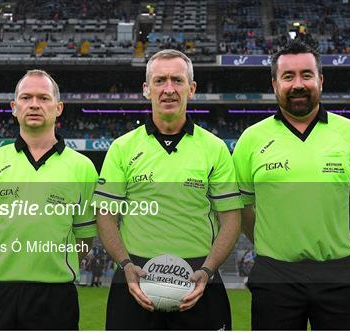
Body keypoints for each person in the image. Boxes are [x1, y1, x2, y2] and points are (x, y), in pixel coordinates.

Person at [232, 38, 350, 330]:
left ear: (320, 79)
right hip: (274, 274)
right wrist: (270, 242)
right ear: (274, 84)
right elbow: (241, 205)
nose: (298, 84)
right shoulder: (251, 139)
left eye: (306, 75)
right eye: (288, 76)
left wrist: (343, 238)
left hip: (338, 273)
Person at [94, 49, 243, 330]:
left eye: (177, 80)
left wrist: (208, 269)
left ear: (192, 88)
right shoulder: (122, 148)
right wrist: (126, 265)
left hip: (200, 277)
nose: (169, 89)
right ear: (146, 89)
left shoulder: (214, 148)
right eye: (160, 81)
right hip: (134, 278)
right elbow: (105, 215)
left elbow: (231, 219)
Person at [0, 69, 98, 330]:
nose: (34, 104)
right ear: (14, 107)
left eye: (43, 98)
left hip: (55, 296)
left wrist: (50, 263)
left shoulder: (83, 168)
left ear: (58, 108)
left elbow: (84, 239)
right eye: (26, 97)